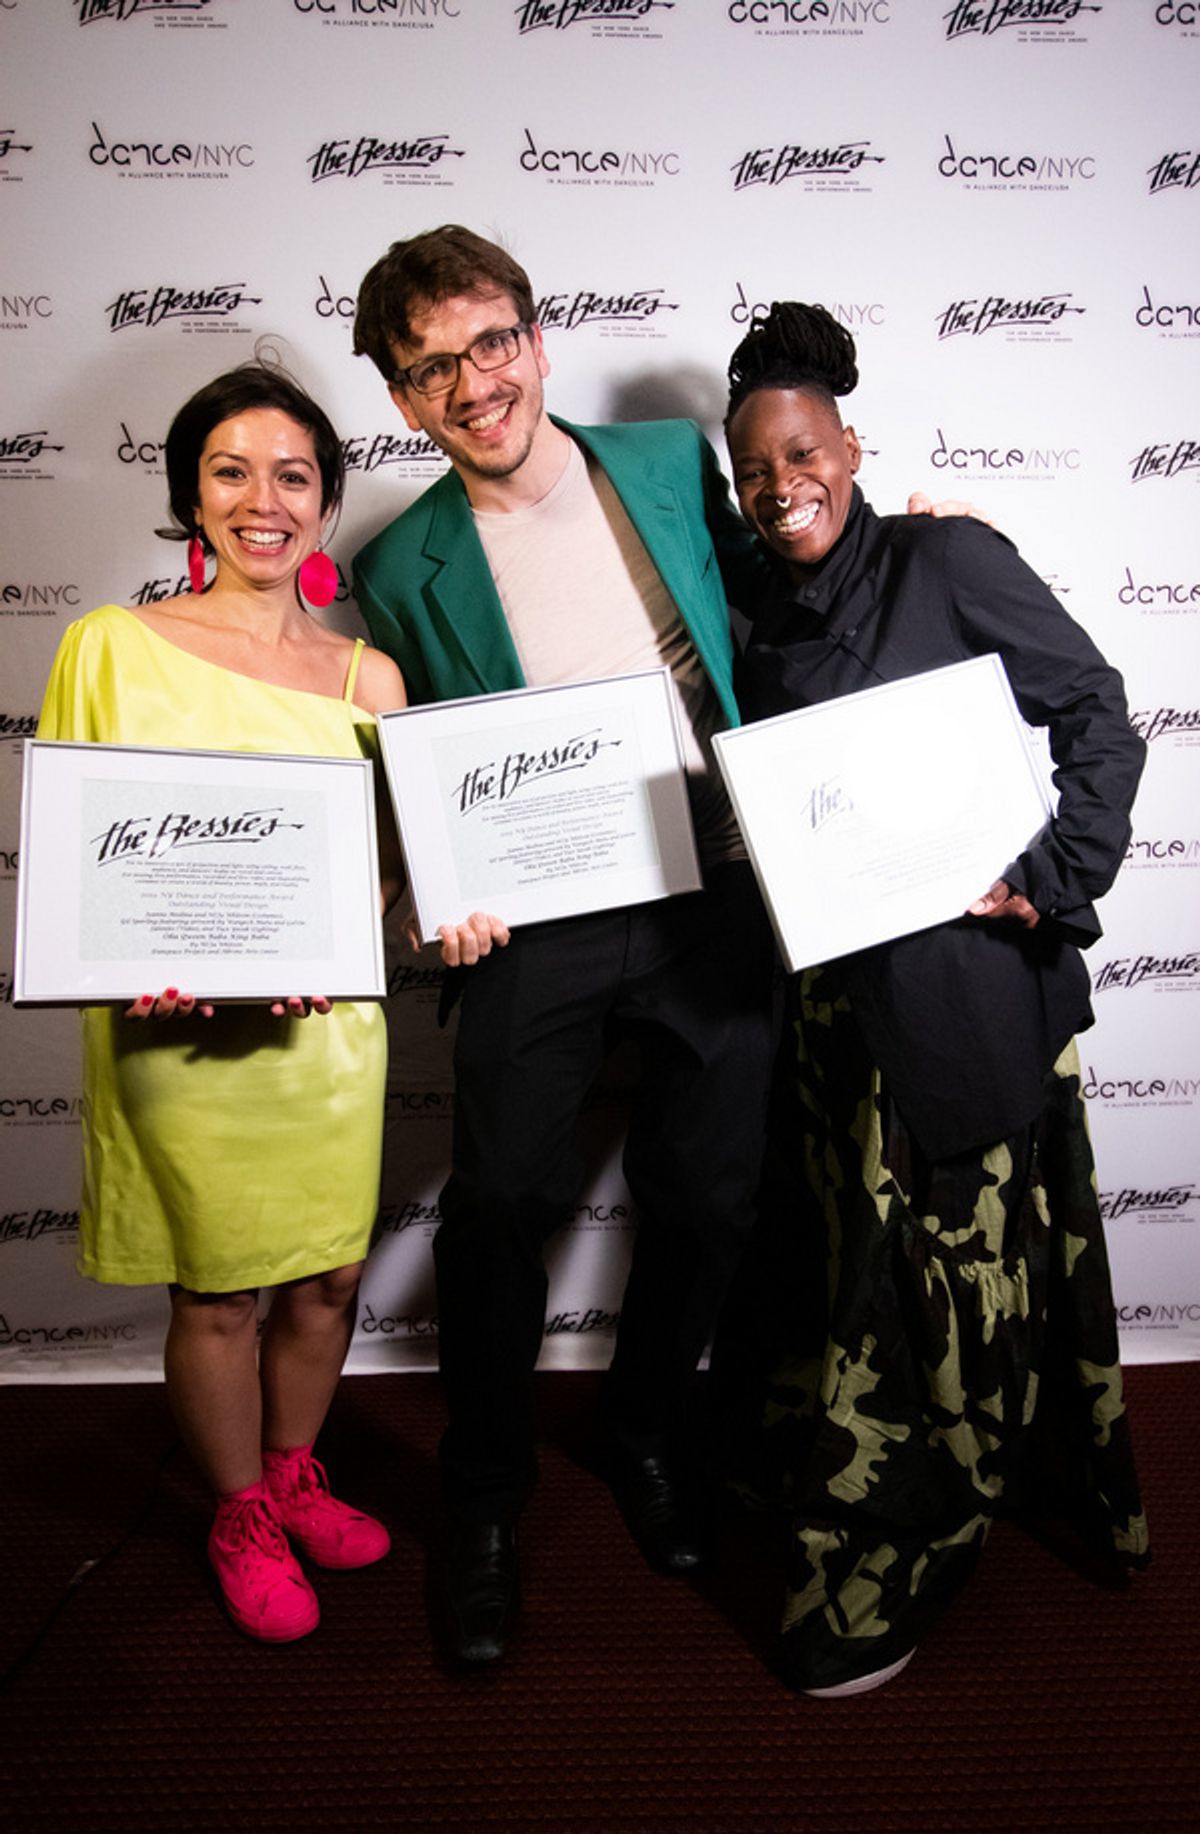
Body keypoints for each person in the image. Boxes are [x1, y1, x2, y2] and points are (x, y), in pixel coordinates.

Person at [350, 225, 967, 1667]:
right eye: (431, 366)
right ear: (400, 399)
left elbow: (791, 582)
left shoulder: (666, 461)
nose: (474, 382)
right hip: (539, 914)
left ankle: (643, 1431)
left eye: (491, 341)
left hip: (713, 886)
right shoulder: (397, 565)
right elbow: (405, 770)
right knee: (501, 1203)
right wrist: (431, 896)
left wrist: (916, 543)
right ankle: (488, 1495)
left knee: (711, 1195)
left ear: (536, 338)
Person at [712, 301, 1149, 1699]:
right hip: (839, 1019)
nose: (783, 486)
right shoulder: (756, 613)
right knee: (856, 1282)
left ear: (851, 443)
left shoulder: (948, 555)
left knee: (948, 1301)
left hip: (970, 1005)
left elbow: (1094, 703)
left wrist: (1059, 868)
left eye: (803, 452)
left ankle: (902, 1545)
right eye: (754, 471)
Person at [37, 360, 410, 1644]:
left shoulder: (372, 679)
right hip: (179, 1030)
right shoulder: (112, 645)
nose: (265, 500)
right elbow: (83, 859)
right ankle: (238, 1504)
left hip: (326, 1035)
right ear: (191, 494)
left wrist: (344, 929)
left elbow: (384, 870)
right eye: (232, 471)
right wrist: (146, 952)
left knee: (327, 1279)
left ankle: (296, 1474)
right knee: (219, 1290)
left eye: (294, 475)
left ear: (324, 501)